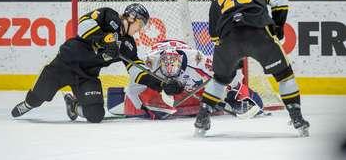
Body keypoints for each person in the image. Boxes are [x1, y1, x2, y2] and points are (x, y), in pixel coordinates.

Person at [11, 3, 184, 123]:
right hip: (64, 65)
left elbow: (136, 71)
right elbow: (83, 25)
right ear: (131, 18)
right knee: (36, 99)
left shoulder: (128, 45)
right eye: (140, 23)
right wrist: (105, 40)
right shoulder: (109, 16)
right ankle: (28, 104)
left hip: (87, 76)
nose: (140, 29)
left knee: (95, 115)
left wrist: (162, 85)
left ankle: (73, 106)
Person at [193, 0, 310, 137]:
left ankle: (202, 119)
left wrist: (232, 58)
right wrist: (278, 25)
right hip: (258, 33)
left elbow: (215, 37)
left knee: (219, 80)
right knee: (285, 76)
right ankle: (297, 118)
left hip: (228, 40)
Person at [107, 40, 264, 120]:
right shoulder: (150, 62)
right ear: (160, 64)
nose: (169, 70)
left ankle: (240, 98)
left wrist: (233, 96)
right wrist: (140, 107)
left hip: (189, 70)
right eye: (165, 66)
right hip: (160, 57)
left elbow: (228, 73)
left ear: (180, 63)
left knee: (222, 86)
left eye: (173, 66)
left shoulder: (196, 59)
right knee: (150, 104)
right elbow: (134, 87)